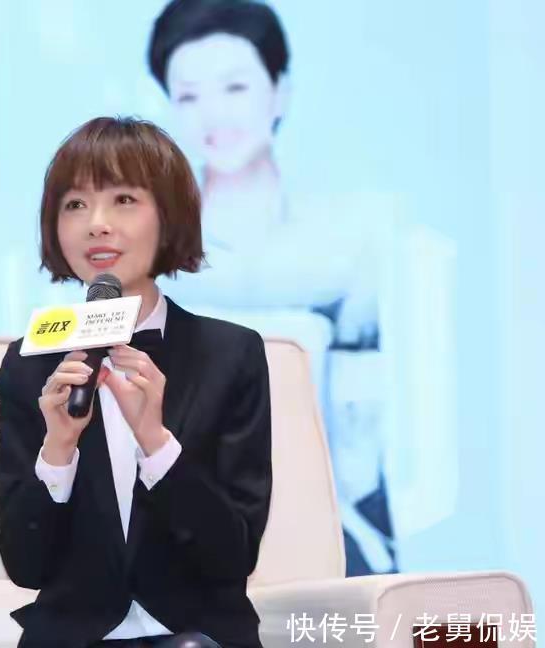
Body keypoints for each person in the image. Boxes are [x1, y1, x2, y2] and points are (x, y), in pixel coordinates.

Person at [0, 116, 271, 648]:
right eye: (75, 204)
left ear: (169, 216)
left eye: (123, 200)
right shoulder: (30, 365)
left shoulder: (229, 355)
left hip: (199, 638)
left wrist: (156, 443)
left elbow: (233, 557)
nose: (96, 224)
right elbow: (25, 565)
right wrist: (58, 449)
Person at [147, 0, 396, 575]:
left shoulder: (346, 242)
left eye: (235, 87)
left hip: (326, 524)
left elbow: (365, 432)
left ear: (280, 92)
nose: (213, 115)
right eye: (188, 96)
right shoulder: (143, 244)